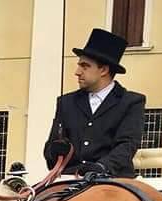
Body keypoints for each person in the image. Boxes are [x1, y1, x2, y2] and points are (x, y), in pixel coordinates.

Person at [43, 28, 145, 178]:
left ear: (103, 70)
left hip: (112, 179)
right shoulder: (66, 102)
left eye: (84, 66)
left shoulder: (131, 102)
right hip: (70, 180)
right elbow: (50, 154)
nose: (77, 72)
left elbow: (127, 145)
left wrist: (102, 167)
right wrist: (55, 151)